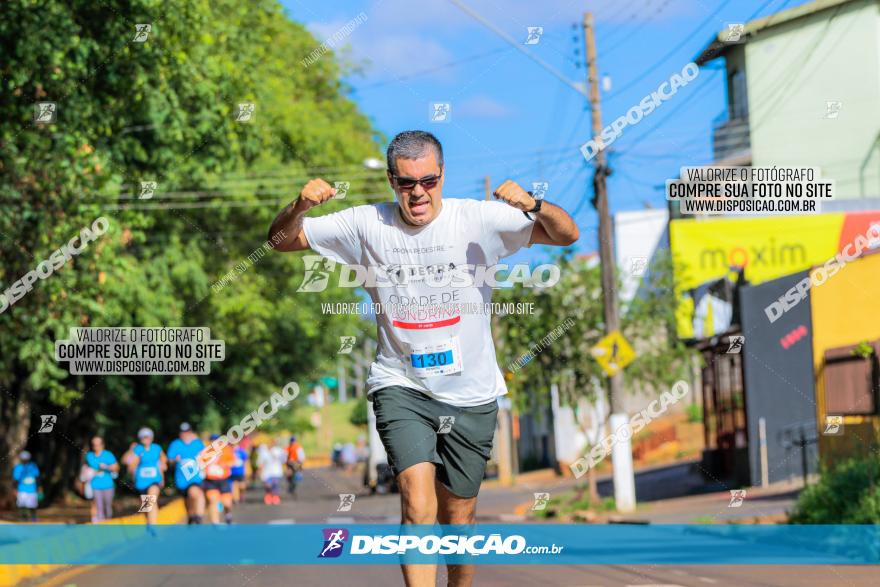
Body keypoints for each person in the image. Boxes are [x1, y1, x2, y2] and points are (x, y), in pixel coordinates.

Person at [268, 130, 578, 587]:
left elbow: (566, 235)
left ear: (442, 176)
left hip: (470, 391)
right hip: (401, 385)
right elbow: (279, 241)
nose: (418, 193)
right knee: (417, 504)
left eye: (428, 181)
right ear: (392, 180)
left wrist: (534, 205)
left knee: (458, 518)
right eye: (407, 182)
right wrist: (299, 207)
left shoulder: (478, 219)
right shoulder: (365, 223)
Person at [123, 427, 167, 527]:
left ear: (151, 438)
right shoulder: (137, 449)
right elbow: (126, 461)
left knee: (151, 498)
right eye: (143, 437)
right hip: (141, 482)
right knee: (147, 505)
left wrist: (163, 466)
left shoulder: (156, 448)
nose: (145, 439)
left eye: (147, 437)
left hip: (155, 480)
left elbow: (164, 459)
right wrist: (130, 450)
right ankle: (149, 524)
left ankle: (153, 526)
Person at [166, 422, 206, 524]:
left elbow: (206, 457)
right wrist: (174, 460)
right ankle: (191, 515)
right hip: (181, 479)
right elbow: (169, 460)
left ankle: (199, 516)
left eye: (187, 431)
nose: (185, 434)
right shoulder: (175, 444)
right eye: (182, 432)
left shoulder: (198, 443)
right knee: (187, 499)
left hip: (195, 477)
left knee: (195, 492)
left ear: (190, 432)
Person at [201, 434, 235, 524]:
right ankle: (215, 523)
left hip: (223, 479)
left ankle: (228, 514)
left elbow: (233, 461)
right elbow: (200, 463)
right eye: (212, 441)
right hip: (210, 480)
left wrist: (225, 464)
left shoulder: (226, 449)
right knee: (213, 500)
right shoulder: (205, 451)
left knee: (227, 503)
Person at [85, 436, 119, 522]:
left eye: (98, 444)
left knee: (107, 506)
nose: (96, 446)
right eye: (94, 444)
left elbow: (117, 467)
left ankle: (108, 521)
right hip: (95, 485)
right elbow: (86, 469)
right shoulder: (89, 456)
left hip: (108, 485)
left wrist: (106, 467)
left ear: (102, 445)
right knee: (98, 506)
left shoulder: (108, 455)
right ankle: (101, 525)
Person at [256, 439, 285, 505]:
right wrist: (259, 470)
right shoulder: (263, 452)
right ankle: (268, 495)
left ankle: (275, 496)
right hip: (266, 472)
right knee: (268, 485)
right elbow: (260, 462)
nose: (272, 444)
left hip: (276, 471)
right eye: (271, 443)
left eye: (274, 443)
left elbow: (283, 460)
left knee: (275, 484)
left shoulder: (279, 450)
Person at [12, 451, 39, 522]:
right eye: (23, 459)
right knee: (22, 505)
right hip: (22, 489)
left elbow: (37, 478)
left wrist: (39, 488)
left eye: (26, 459)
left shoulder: (33, 466)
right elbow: (15, 480)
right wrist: (14, 489)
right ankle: (23, 518)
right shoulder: (18, 467)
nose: (25, 460)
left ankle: (34, 518)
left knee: (33, 505)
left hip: (32, 489)